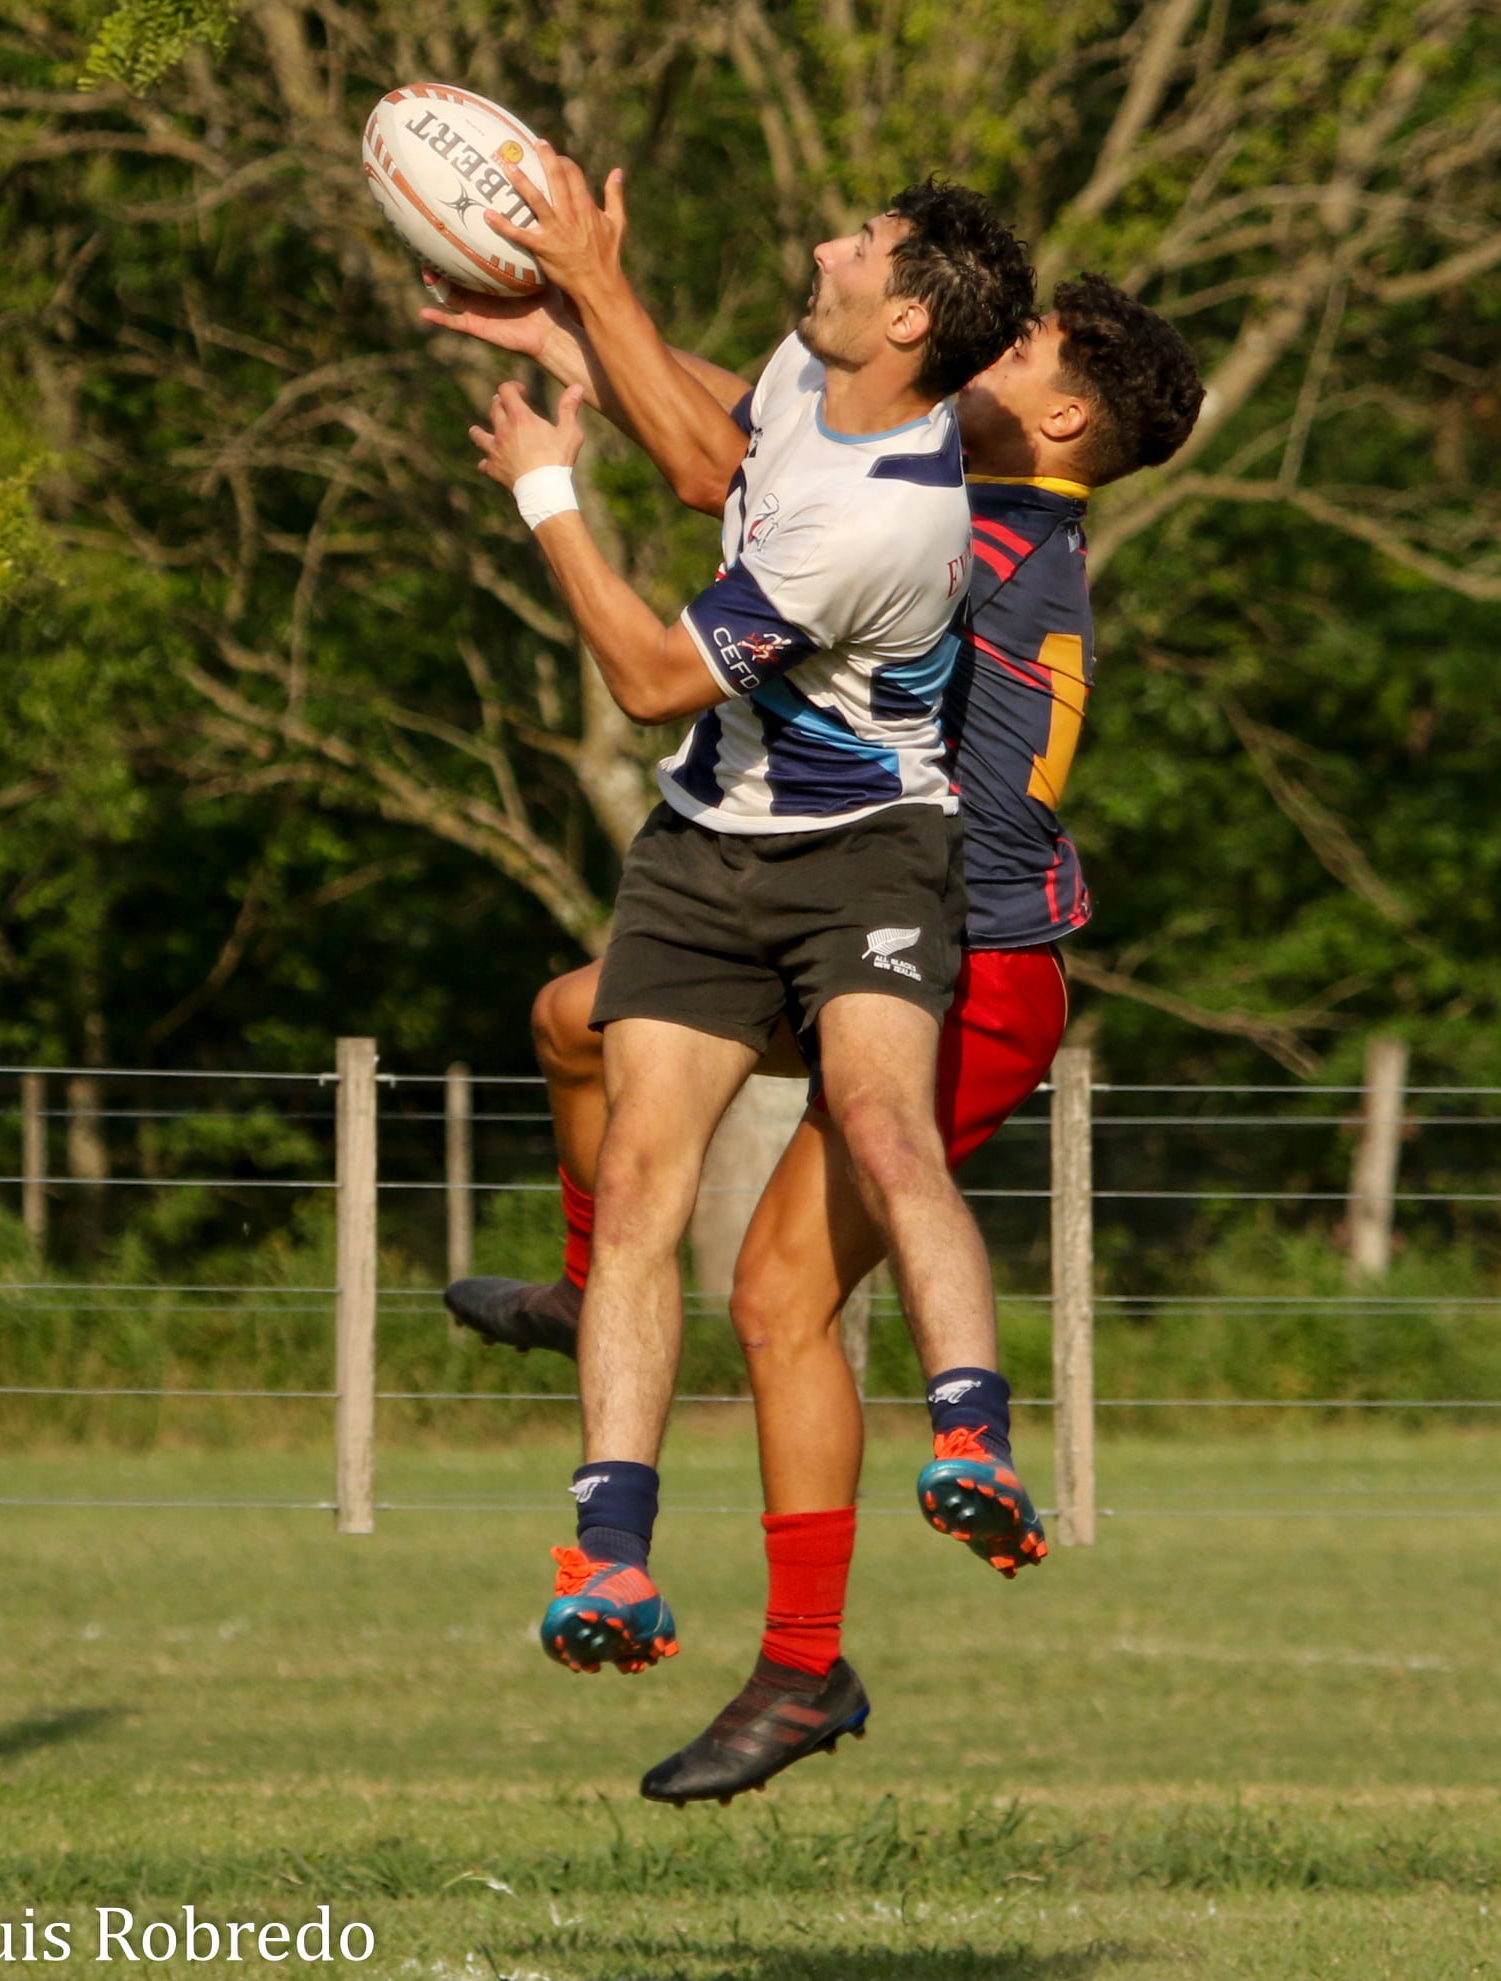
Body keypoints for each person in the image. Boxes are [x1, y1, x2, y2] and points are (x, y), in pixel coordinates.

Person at [432, 200, 1204, 1798]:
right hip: (871, 908)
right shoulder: (968, 483)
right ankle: (595, 1301)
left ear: (1059, 416)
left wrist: (595, 326)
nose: (991, 350)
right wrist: (584, 335)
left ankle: (802, 1668)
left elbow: (723, 472)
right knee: (578, 1019)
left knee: (782, 1296)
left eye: (1026, 347)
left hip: (974, 963)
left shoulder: (967, 524)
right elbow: (756, 423)